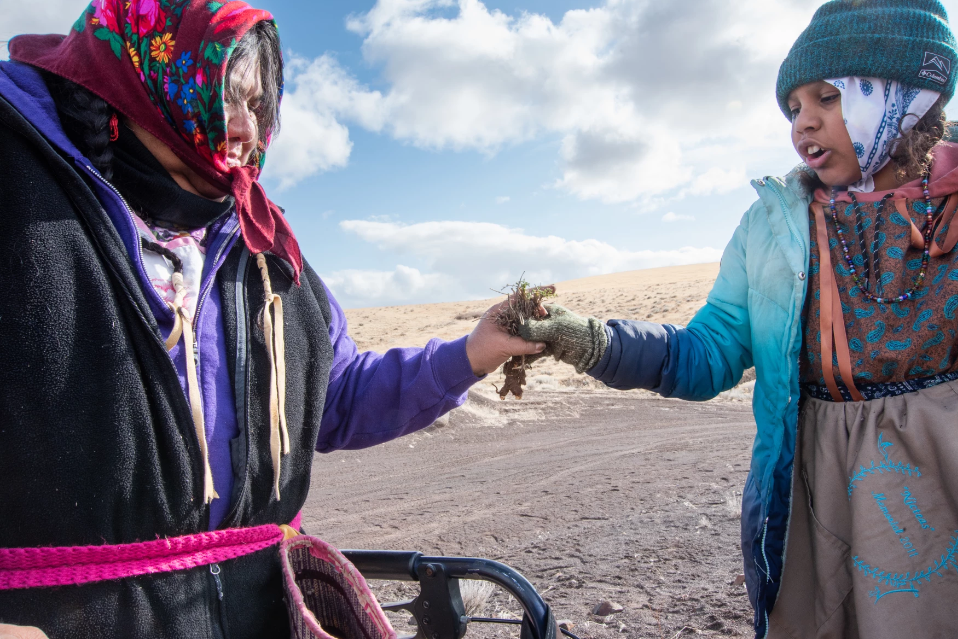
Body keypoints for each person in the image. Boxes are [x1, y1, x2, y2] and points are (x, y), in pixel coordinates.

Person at [0, 1, 544, 637]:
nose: (244, 125)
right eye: (223, 95)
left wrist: (475, 352)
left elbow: (333, 397)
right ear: (145, 78)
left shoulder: (260, 240)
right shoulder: (18, 187)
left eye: (258, 104)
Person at [520, 1, 958, 637]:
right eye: (792, 108)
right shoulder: (772, 228)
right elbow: (707, 352)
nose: (801, 123)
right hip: (812, 490)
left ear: (903, 93)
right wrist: (587, 340)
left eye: (827, 97)